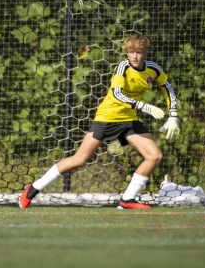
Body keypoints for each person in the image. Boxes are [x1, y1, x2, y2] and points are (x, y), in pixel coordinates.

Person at [19, 34, 180, 210]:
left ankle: (127, 200)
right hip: (107, 118)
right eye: (131, 52)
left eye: (139, 52)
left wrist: (173, 115)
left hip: (129, 120)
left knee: (154, 156)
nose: (135, 56)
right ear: (126, 53)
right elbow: (117, 93)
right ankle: (32, 189)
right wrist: (143, 106)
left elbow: (168, 88)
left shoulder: (153, 69)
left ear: (145, 53)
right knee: (79, 159)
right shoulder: (123, 67)